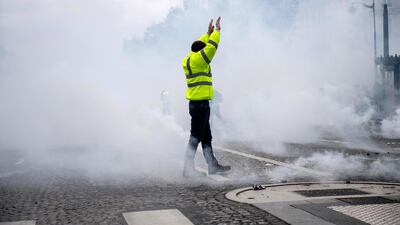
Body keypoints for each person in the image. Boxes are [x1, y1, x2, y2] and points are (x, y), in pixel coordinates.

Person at [181, 17, 231, 177]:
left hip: (197, 104)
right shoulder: (199, 60)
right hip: (201, 105)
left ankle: (212, 165)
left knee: (205, 137)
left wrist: (207, 33)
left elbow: (199, 45)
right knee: (195, 137)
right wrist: (216, 32)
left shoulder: (189, 59)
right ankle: (188, 169)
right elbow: (210, 48)